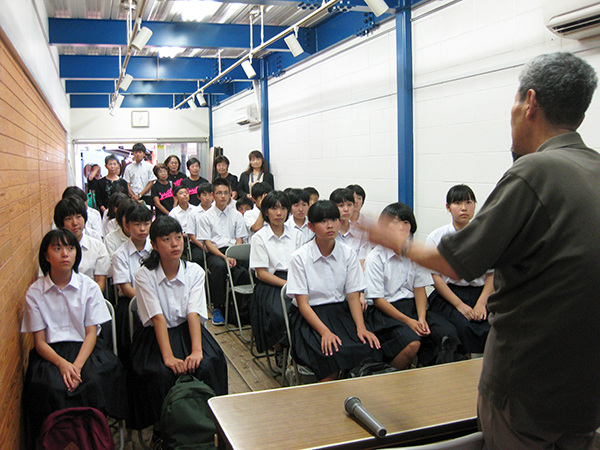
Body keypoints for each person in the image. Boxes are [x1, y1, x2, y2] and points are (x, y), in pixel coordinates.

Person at [367, 52, 600, 450]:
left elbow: (454, 262)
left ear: (530, 102)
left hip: (529, 387)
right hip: (586, 389)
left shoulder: (535, 171)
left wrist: (394, 240)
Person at [22, 229, 127, 438]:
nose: (65, 254)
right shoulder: (35, 292)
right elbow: (40, 343)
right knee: (48, 386)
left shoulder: (88, 287)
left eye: (70, 248)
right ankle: (58, 438)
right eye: (57, 248)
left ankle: (94, 435)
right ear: (46, 255)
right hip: (51, 354)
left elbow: (91, 334)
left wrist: (76, 366)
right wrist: (63, 365)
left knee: (96, 379)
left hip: (86, 349)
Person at [128, 216, 227, 432]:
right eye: (166, 239)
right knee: (160, 373)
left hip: (187, 331)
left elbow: (193, 313)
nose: (175, 244)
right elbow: (157, 317)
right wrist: (169, 357)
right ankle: (164, 429)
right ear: (154, 245)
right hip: (155, 336)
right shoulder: (144, 275)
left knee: (209, 363)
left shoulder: (195, 271)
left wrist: (197, 351)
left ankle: (207, 424)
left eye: (178, 238)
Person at [286, 200, 381, 382]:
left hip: (340, 311)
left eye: (334, 219)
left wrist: (361, 328)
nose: (330, 225)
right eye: (323, 221)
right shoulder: (299, 258)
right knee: (330, 353)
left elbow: (353, 296)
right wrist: (324, 332)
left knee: (367, 347)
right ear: (311, 227)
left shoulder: (348, 254)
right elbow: (303, 305)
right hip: (311, 316)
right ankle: (327, 403)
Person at [364, 203, 460, 367]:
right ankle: (394, 377)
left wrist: (421, 317)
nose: (401, 227)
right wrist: (409, 321)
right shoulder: (375, 257)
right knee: (411, 342)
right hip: (386, 311)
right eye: (394, 222)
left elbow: (420, 289)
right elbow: (378, 300)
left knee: (447, 333)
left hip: (413, 306)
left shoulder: (414, 254)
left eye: (406, 222)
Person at [425, 185, 492, 356]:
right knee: (462, 327)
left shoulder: (485, 236)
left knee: (492, 326)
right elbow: (435, 277)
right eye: (457, 203)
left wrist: (481, 303)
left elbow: (492, 274)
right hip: (449, 296)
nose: (464, 208)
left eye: (469, 202)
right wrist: (459, 305)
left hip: (481, 294)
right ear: (448, 207)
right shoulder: (436, 237)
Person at [249, 191, 302, 362]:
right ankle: (280, 348)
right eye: (273, 208)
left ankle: (300, 351)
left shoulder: (297, 234)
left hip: (296, 278)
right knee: (280, 313)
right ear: (265, 212)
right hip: (271, 283)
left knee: (308, 310)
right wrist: (287, 284)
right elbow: (261, 273)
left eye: (283, 208)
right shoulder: (259, 237)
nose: (279, 213)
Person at [196, 178, 248, 326]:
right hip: (216, 252)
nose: (223, 196)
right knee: (219, 267)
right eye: (219, 193)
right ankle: (217, 307)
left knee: (248, 265)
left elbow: (239, 238)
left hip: (234, 251)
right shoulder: (205, 217)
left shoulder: (237, 215)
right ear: (213, 195)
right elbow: (207, 243)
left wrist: (234, 254)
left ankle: (241, 305)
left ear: (231, 194)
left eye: (226, 193)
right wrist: (224, 256)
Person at [112, 203, 153, 362]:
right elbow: (125, 287)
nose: (142, 229)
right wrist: (147, 301)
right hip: (131, 300)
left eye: (146, 224)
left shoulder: (156, 249)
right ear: (127, 226)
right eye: (137, 224)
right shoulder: (120, 254)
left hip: (156, 298)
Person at [53, 197, 110, 293]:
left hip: (90, 299)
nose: (75, 223)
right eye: (68, 219)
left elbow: (100, 282)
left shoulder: (97, 247)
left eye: (78, 217)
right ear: (60, 223)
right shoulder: (53, 249)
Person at [330, 188, 370, 267]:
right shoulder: (328, 232)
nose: (346, 209)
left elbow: (362, 261)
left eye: (349, 205)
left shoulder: (361, 232)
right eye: (341, 206)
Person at [188, 182, 214, 267]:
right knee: (197, 258)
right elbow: (191, 235)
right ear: (199, 197)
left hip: (215, 243)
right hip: (199, 244)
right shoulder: (193, 213)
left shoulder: (217, 211)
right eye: (204, 195)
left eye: (210, 195)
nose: (207, 198)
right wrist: (202, 246)